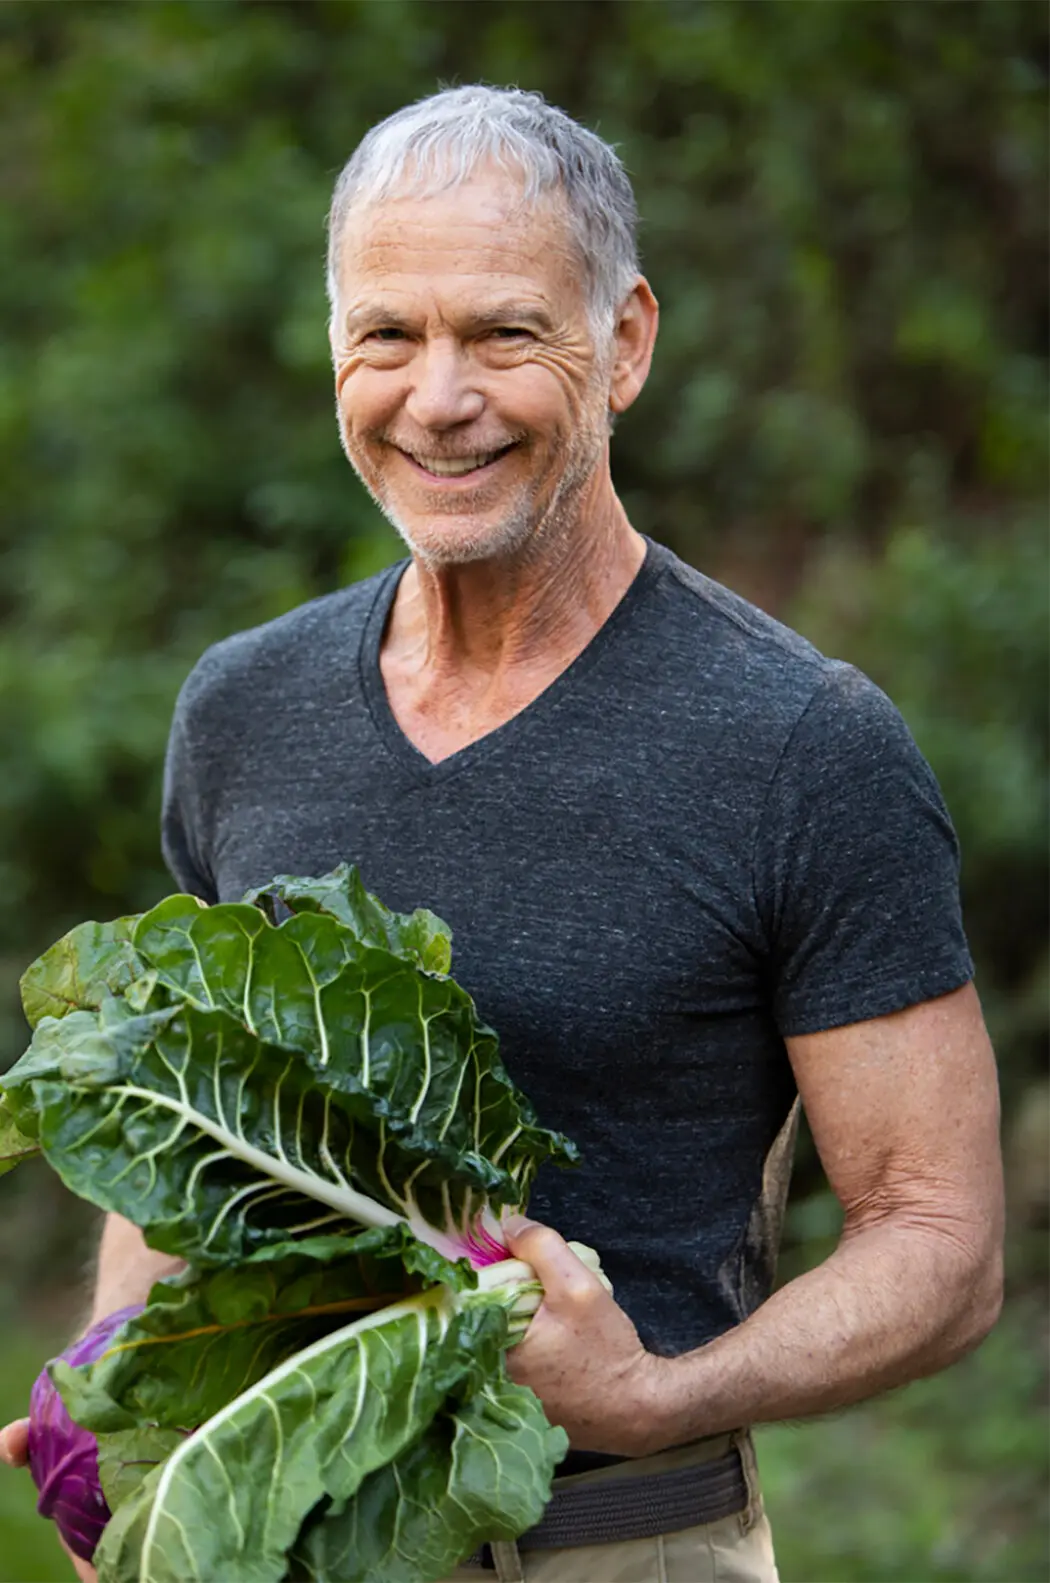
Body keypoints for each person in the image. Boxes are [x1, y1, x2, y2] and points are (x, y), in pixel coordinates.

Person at [1, 86, 1003, 1583]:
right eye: (387, 335)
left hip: (621, 1542)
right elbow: (182, 1120)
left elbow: (942, 1241)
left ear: (625, 345)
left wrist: (660, 1391)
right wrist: (129, 1401)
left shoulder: (800, 744)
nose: (437, 396)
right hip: (278, 1544)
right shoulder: (243, 708)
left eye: (503, 333)